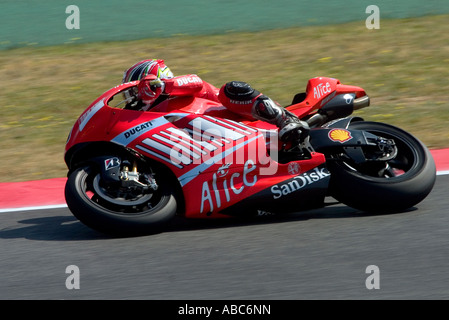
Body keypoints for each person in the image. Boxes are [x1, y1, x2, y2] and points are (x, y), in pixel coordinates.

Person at [121, 59, 309, 144]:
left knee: (231, 89)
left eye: (134, 90)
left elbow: (196, 81)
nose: (133, 97)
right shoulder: (154, 116)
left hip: (248, 120)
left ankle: (286, 119)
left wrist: (162, 85)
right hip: (224, 144)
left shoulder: (181, 90)